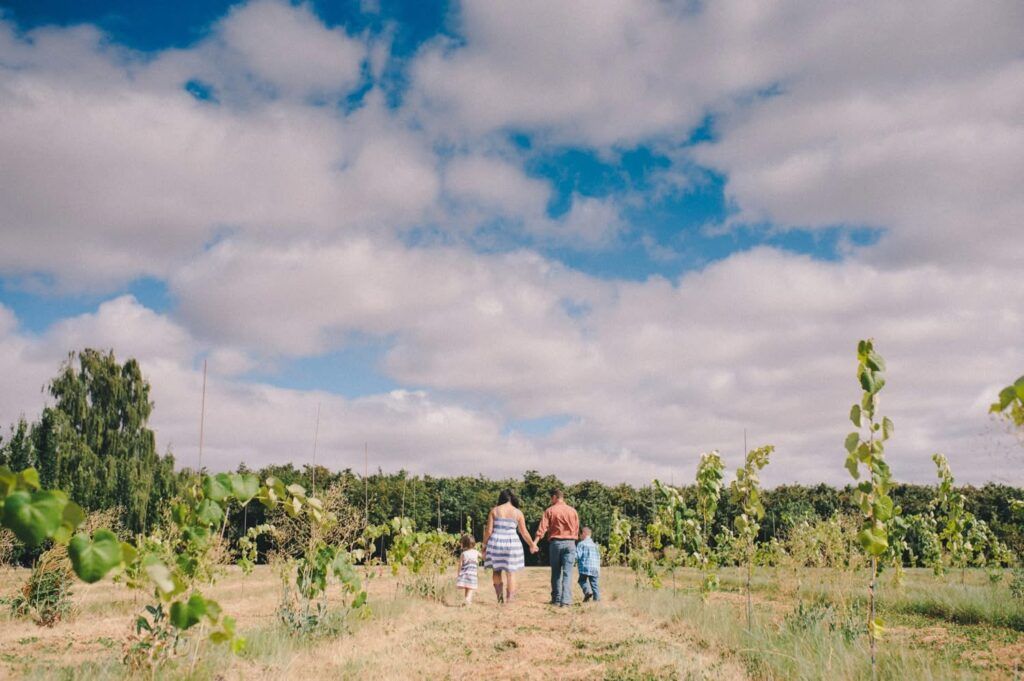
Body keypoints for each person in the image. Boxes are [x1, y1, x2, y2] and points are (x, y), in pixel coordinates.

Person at [482, 488, 538, 604]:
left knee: (496, 571)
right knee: (511, 573)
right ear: (513, 498)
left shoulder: (494, 511)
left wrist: (484, 545)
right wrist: (532, 545)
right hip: (512, 543)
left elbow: (488, 531)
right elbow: (524, 532)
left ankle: (500, 599)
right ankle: (509, 600)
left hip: (496, 542)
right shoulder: (518, 512)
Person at [533, 488, 579, 607]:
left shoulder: (550, 510)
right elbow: (576, 528)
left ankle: (556, 599)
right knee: (568, 573)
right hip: (570, 543)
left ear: (554, 497)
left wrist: (535, 543)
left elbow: (542, 529)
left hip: (556, 543)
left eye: (551, 498)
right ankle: (566, 601)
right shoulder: (573, 511)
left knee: (556, 573)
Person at [575, 526, 601, 602]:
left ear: (583, 533)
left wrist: (571, 559)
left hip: (585, 567)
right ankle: (597, 600)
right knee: (594, 584)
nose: (579, 537)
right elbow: (598, 557)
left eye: (580, 535)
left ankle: (587, 592)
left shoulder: (581, 544)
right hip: (595, 567)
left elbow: (578, 555)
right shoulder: (595, 545)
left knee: (582, 580)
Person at [456, 533, 480, 606]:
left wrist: (458, 573)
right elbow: (483, 556)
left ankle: (467, 602)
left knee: (467, 588)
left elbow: (460, 565)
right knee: (471, 588)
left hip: (465, 574)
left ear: (464, 544)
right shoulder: (476, 552)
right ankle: (467, 600)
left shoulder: (463, 554)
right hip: (472, 574)